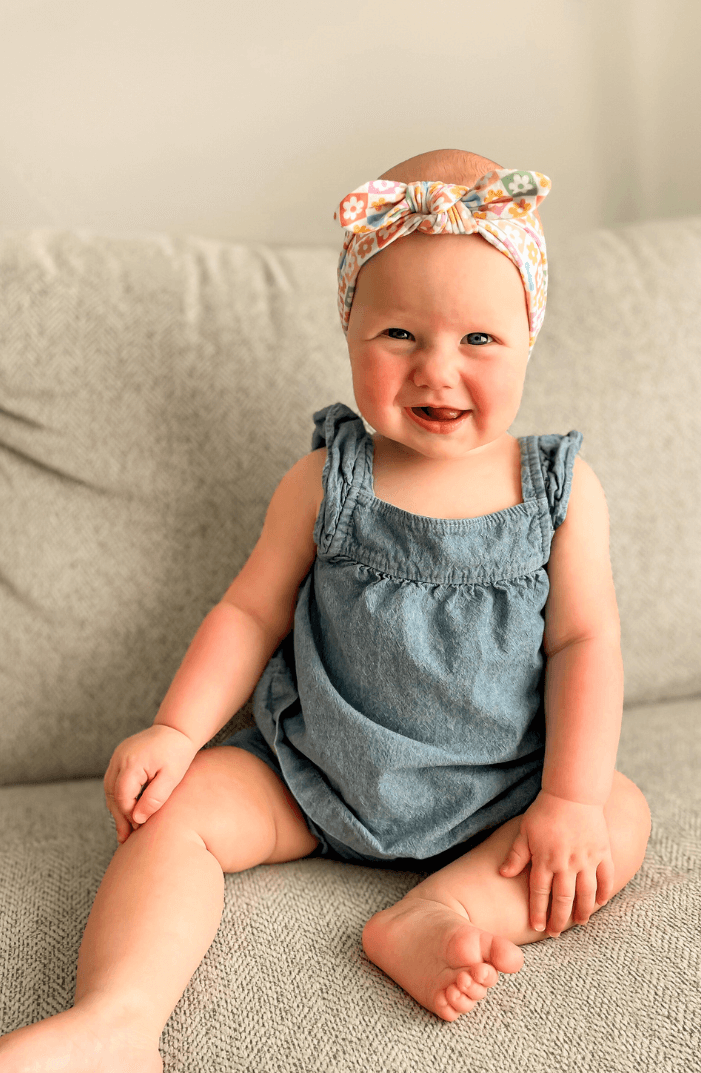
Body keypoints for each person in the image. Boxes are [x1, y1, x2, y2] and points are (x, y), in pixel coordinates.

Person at [0, 148, 651, 1071]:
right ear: (349, 329)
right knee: (176, 815)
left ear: (529, 337)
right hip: (314, 772)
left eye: (478, 340)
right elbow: (247, 613)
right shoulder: (323, 479)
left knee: (618, 816)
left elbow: (587, 640)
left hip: (499, 791)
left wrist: (570, 798)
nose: (437, 370)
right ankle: (118, 1018)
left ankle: (441, 910)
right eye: (399, 335)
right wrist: (177, 731)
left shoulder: (560, 491)